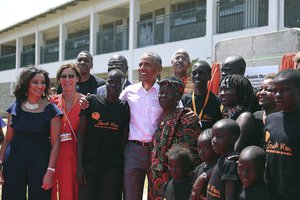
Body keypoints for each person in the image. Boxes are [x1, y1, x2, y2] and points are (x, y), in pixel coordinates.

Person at [0, 66, 62, 200]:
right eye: (35, 82)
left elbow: (56, 142)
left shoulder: (52, 110)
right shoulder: (15, 107)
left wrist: (50, 171)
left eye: (43, 82)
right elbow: (8, 139)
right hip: (14, 162)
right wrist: (0, 164)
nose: (40, 86)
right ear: (26, 83)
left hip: (40, 163)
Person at [77, 69, 130, 200]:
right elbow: (81, 134)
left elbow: (123, 142)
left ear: (123, 85)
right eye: (110, 82)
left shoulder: (124, 108)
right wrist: (79, 167)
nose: (113, 86)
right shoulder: (91, 102)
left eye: (118, 83)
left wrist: (121, 171)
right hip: (89, 166)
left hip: (111, 169)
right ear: (105, 83)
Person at [149, 76, 201, 200]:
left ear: (178, 96)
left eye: (167, 93)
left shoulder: (185, 118)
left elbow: (192, 153)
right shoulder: (160, 116)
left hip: (175, 181)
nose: (162, 96)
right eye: (161, 93)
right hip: (156, 179)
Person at [264, 69, 300, 200]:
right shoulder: (271, 119)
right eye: (274, 90)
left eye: (284, 90)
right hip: (270, 193)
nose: (277, 95)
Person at [51, 63, 83, 200]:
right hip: (54, 153)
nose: (67, 79)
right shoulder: (51, 102)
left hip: (75, 154)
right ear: (59, 80)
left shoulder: (86, 102)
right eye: (63, 76)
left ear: (77, 79)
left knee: (72, 192)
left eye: (71, 76)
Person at [219, 74, 258, 152]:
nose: (222, 93)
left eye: (226, 89)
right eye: (221, 90)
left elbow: (235, 150)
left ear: (239, 90)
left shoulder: (244, 117)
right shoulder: (229, 115)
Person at [181, 60, 222, 131]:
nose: (197, 76)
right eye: (194, 73)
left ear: (209, 77)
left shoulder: (217, 101)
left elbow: (220, 125)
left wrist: (199, 121)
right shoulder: (183, 100)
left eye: (201, 73)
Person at [207, 119, 241, 200]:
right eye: (213, 136)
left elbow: (229, 197)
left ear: (233, 139)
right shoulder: (222, 159)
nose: (214, 140)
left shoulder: (230, 163)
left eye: (219, 137)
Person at [191, 129, 219, 200]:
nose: (201, 151)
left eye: (206, 147)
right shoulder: (199, 169)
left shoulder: (219, 167)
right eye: (199, 147)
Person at [253, 73, 277, 147]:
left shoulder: (284, 119)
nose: (262, 92)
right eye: (260, 89)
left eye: (268, 90)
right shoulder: (255, 116)